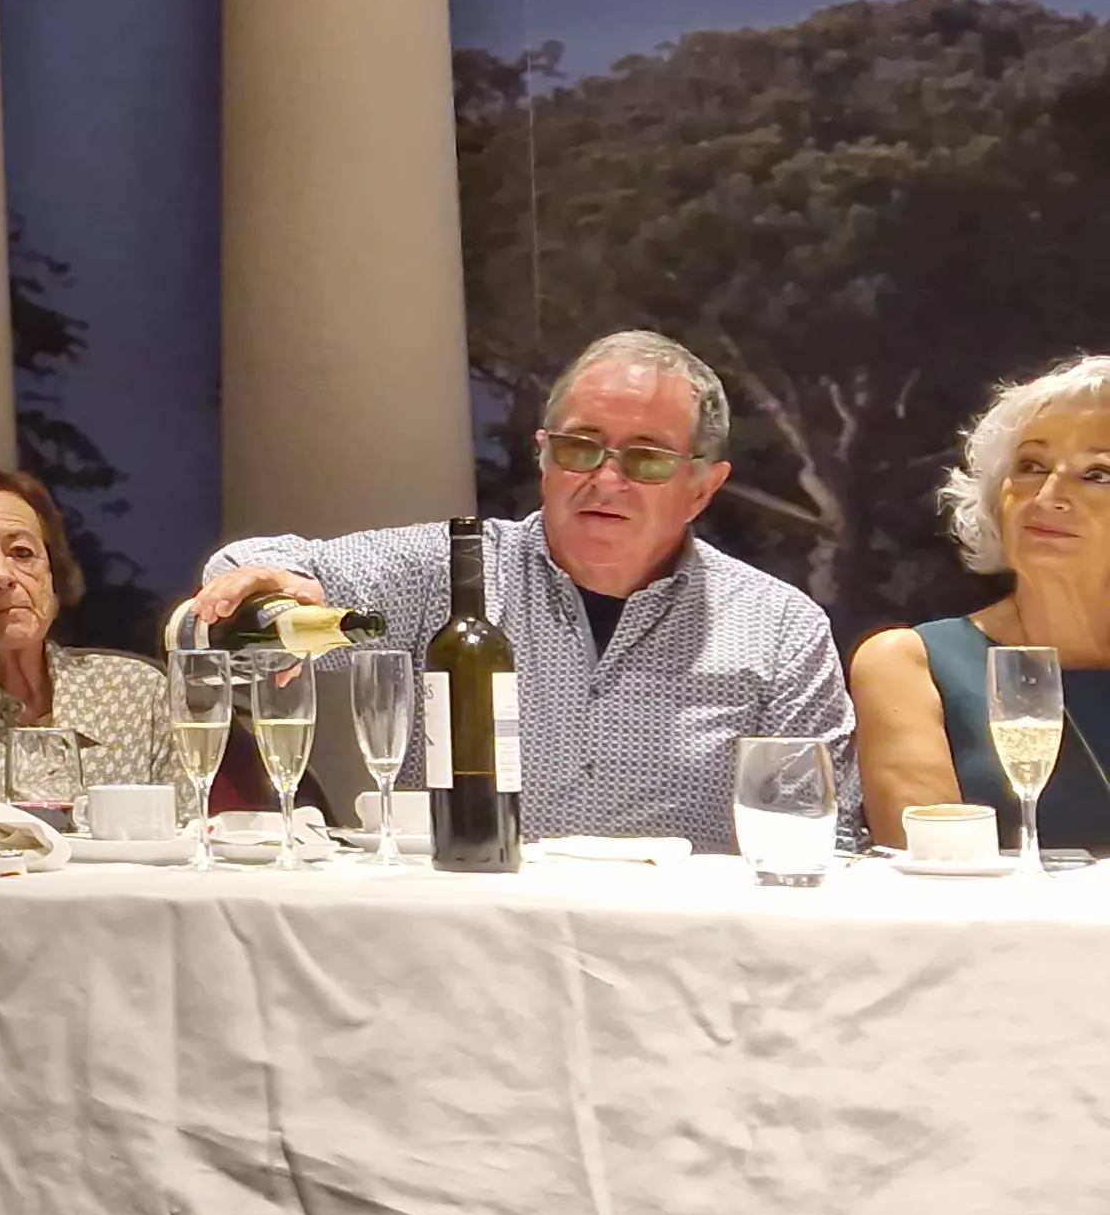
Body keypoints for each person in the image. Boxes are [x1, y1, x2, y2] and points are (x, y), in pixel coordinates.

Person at [187, 329, 852, 851]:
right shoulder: (444, 573)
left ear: (703, 488)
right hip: (472, 947)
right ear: (543, 458)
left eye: (645, 458)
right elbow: (247, 572)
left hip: (682, 965)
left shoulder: (780, 629)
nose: (605, 480)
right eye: (579, 448)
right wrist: (277, 593)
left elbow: (822, 835)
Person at [853, 353, 1110, 855]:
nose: (1049, 494)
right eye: (1031, 466)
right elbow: (937, 876)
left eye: (1098, 473)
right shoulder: (910, 663)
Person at [0, 465, 173, 791]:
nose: (1, 575)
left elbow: (186, 831)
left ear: (53, 581)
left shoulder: (139, 694)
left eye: (22, 552)